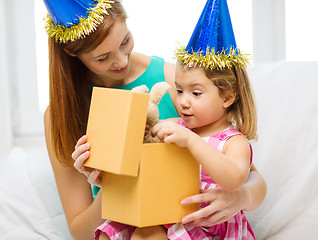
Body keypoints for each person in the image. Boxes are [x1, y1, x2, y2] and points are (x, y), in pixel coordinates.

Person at [42, 0, 266, 239]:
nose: (121, 61)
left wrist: (241, 197)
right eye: (103, 57)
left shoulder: (175, 83)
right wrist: (113, 185)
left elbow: (245, 174)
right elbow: (81, 232)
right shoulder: (62, 113)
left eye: (125, 41)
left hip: (185, 223)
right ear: (72, 53)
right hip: (129, 225)